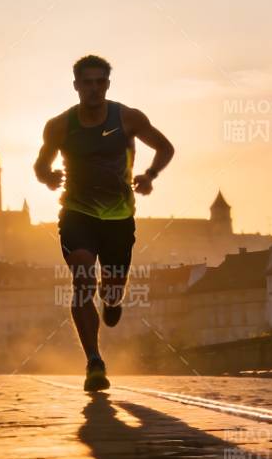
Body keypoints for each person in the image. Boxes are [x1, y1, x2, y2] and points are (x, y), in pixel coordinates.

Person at [34, 55, 175, 391]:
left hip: (118, 216)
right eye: (87, 82)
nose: (94, 88)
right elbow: (40, 165)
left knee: (110, 287)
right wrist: (48, 178)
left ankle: (112, 300)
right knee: (82, 276)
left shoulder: (128, 117)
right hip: (76, 213)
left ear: (108, 85)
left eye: (100, 82)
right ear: (76, 86)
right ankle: (94, 361)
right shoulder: (59, 126)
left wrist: (150, 175)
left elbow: (165, 147)